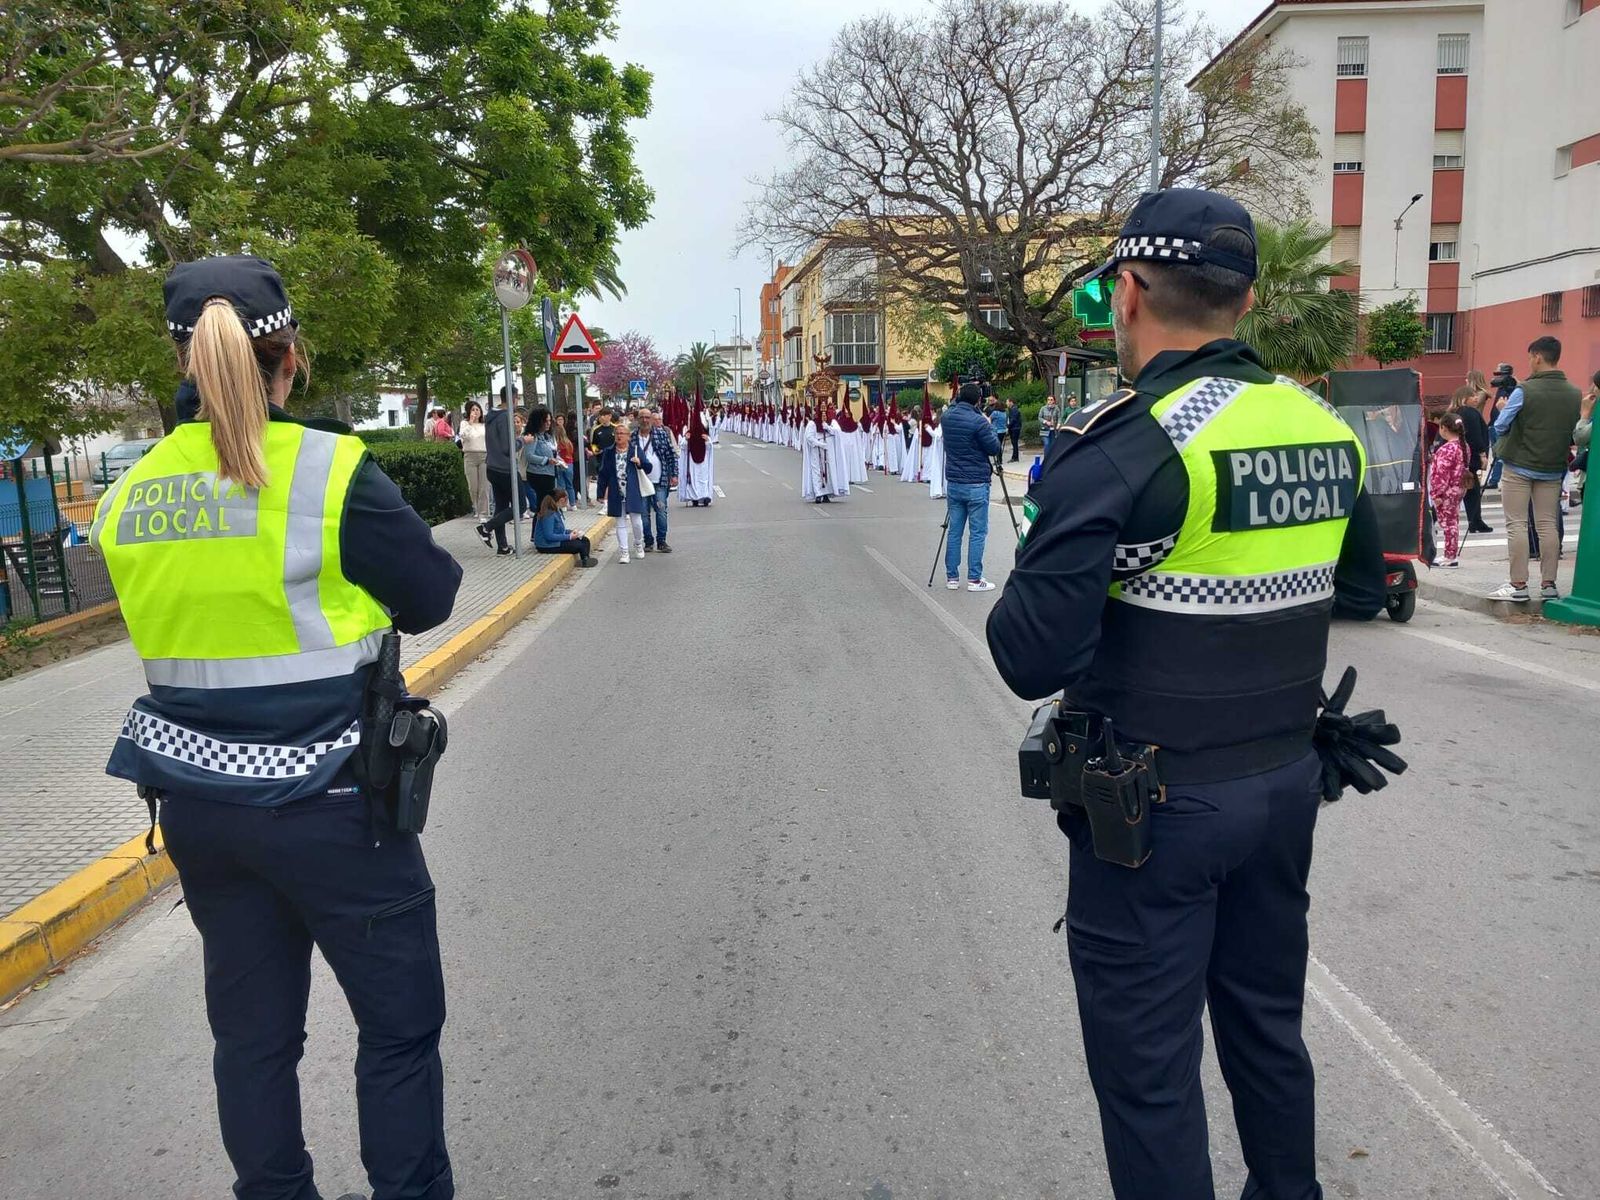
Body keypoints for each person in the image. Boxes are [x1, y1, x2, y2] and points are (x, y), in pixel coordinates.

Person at [986, 190, 1386, 1200]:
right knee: (1266, 1028)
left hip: (1154, 813)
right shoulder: (1319, 426)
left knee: (1148, 1071)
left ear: (1125, 292)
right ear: (1244, 300)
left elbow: (1029, 654)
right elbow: (1360, 587)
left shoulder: (1120, 440)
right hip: (1285, 786)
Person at [90, 255, 461, 1200]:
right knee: (398, 1029)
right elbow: (432, 595)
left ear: (180, 358)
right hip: (338, 804)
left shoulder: (127, 498)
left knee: (251, 1042)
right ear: (289, 357)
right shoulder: (327, 470)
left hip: (203, 812)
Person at [1489, 336, 1582, 603]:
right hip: (1552, 466)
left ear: (1538, 357)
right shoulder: (1574, 393)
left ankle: (1518, 585)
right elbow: (1575, 432)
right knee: (1547, 524)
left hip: (1519, 464)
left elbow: (1500, 425)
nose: (1529, 362)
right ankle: (1549, 584)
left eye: (1530, 357)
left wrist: (1504, 410)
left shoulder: (1524, 390)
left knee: (1516, 523)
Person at [941, 380, 1003, 591]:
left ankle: (952, 577)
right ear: (979, 400)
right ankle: (974, 579)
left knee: (954, 531)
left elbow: (953, 407)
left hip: (954, 482)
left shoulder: (947, 417)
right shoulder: (979, 422)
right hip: (976, 482)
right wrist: (989, 423)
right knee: (977, 532)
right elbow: (994, 448)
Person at [598, 422, 653, 563]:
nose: (619, 436)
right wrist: (600, 493)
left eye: (622, 433)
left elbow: (648, 468)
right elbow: (603, 473)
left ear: (629, 436)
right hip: (616, 491)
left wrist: (639, 462)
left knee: (637, 522)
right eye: (617, 433)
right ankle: (624, 552)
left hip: (632, 491)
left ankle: (638, 543)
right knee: (620, 523)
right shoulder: (609, 452)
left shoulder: (635, 450)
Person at [477, 386, 520, 555]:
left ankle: (502, 546)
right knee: (520, 506)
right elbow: (507, 447)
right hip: (505, 468)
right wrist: (522, 441)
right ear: (514, 398)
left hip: (492, 466)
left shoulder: (491, 417)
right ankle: (486, 528)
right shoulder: (505, 417)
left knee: (501, 506)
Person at [1450, 386, 1493, 534]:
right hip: (1471, 456)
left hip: (1458, 456)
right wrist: (1482, 454)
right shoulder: (1471, 413)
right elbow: (1475, 436)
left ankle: (1475, 520)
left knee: (1465, 489)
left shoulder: (1454, 413)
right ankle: (1475, 520)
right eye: (1472, 396)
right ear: (1464, 398)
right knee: (1471, 489)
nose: (1476, 398)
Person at [1430, 412, 1470, 567]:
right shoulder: (1463, 445)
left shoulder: (1446, 449)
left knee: (1447, 524)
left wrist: (1437, 493)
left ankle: (1449, 555)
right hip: (1458, 488)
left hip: (1446, 491)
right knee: (1453, 522)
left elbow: (1440, 474)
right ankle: (1450, 553)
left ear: (1444, 428)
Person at [637, 408, 678, 553]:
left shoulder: (660, 434)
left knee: (661, 511)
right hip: (640, 482)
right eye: (642, 417)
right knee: (644, 514)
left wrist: (674, 474)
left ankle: (662, 541)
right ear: (638, 419)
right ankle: (648, 541)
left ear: (652, 420)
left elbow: (671, 455)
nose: (645, 420)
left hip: (659, 481)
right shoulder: (633, 437)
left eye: (647, 417)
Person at [532, 491, 596, 566]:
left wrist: (571, 532)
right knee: (578, 545)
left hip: (553, 541)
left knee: (585, 540)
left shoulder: (556, 511)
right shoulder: (549, 514)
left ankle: (585, 559)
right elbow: (549, 536)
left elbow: (559, 530)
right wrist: (569, 537)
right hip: (546, 545)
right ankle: (585, 561)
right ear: (562, 500)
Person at [679, 396, 716, 506]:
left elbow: (710, 446)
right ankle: (694, 497)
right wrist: (686, 439)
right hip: (692, 458)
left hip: (703, 458)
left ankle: (704, 497)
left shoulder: (705, 426)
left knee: (703, 477)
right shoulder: (689, 430)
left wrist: (707, 441)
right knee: (693, 478)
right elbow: (683, 447)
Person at [521, 406, 559, 512]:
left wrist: (558, 460)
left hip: (549, 473)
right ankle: (539, 527)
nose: (548, 423)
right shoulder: (533, 436)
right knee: (543, 505)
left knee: (546, 504)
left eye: (549, 421)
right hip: (539, 474)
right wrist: (546, 460)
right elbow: (529, 455)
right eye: (545, 421)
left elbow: (553, 451)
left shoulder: (547, 436)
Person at [459, 400, 488, 519]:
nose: (475, 412)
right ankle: (475, 506)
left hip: (484, 456)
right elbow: (464, 436)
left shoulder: (484, 425)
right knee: (473, 486)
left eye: (477, 409)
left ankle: (484, 512)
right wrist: (470, 422)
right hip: (470, 456)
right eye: (473, 410)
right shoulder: (465, 424)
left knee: (484, 486)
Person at [590, 407, 617, 506]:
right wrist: (595, 450)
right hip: (601, 458)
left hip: (614, 458)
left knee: (613, 478)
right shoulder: (596, 429)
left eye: (604, 415)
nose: (601, 418)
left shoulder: (615, 428)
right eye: (600, 416)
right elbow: (593, 443)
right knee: (602, 478)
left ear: (609, 416)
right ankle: (601, 498)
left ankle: (611, 497)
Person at [1006, 397, 1023, 462]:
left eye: (1007, 402)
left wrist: (1008, 426)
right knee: (1014, 443)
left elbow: (1013, 419)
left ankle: (1015, 457)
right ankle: (1015, 456)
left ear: (1011, 402)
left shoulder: (1014, 409)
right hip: (1014, 427)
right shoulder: (1011, 409)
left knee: (1014, 442)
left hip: (1015, 428)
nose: (1006, 403)